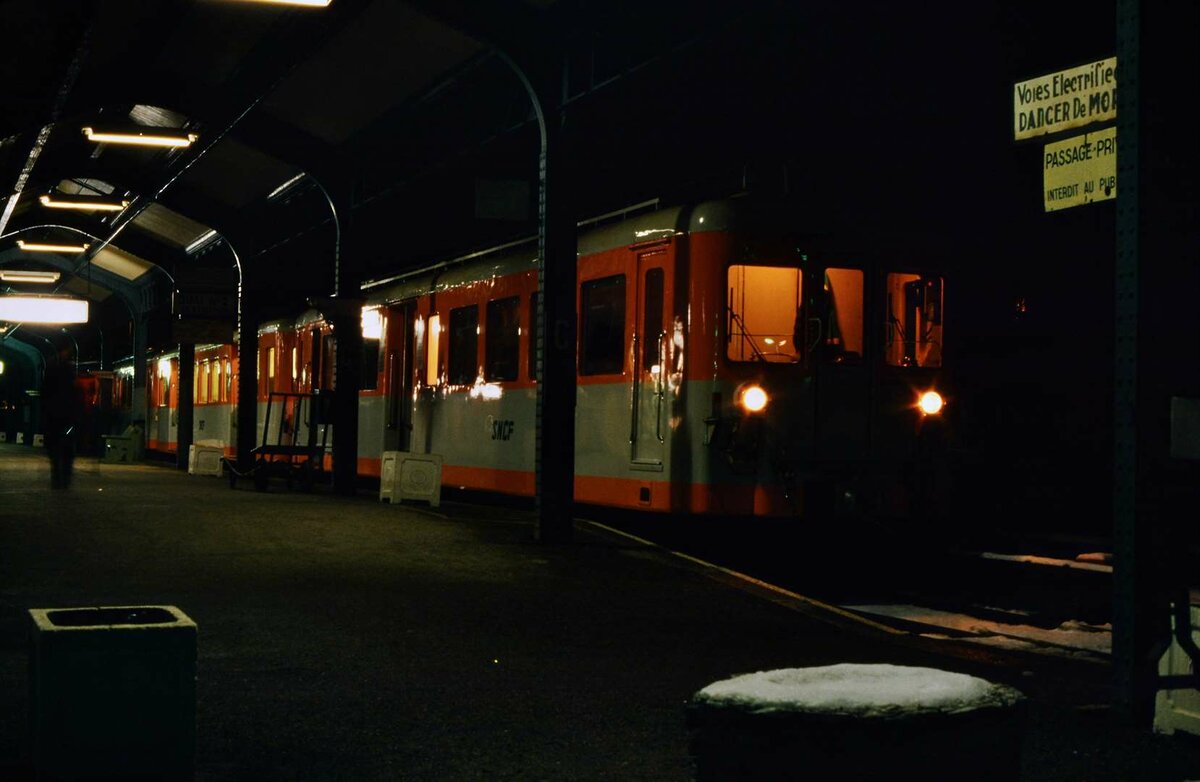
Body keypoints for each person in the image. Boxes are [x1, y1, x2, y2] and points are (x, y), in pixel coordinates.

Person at [41, 349, 83, 489]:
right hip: (67, 420)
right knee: (67, 451)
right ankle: (64, 479)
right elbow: (77, 401)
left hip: (53, 420)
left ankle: (57, 478)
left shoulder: (50, 377)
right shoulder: (71, 384)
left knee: (54, 451)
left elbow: (44, 398)